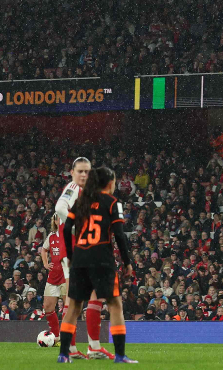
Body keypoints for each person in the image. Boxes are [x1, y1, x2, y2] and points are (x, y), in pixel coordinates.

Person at [58, 166, 135, 364]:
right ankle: (119, 355)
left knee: (73, 307)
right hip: (102, 259)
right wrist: (127, 262)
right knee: (115, 305)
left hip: (80, 258)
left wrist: (70, 254)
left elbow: (67, 228)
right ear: (109, 183)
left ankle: (64, 354)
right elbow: (119, 234)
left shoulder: (81, 201)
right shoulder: (112, 203)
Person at [54, 156, 106, 359]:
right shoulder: (73, 188)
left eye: (87, 171)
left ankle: (74, 348)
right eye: (80, 171)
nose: (84, 174)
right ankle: (90, 346)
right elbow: (59, 208)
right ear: (72, 172)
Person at [41, 213, 68, 342]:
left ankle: (67, 337)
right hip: (53, 276)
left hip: (66, 276)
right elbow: (43, 250)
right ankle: (56, 337)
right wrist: (45, 263)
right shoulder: (51, 236)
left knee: (68, 308)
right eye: (58, 219)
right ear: (55, 221)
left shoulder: (69, 234)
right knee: (48, 307)